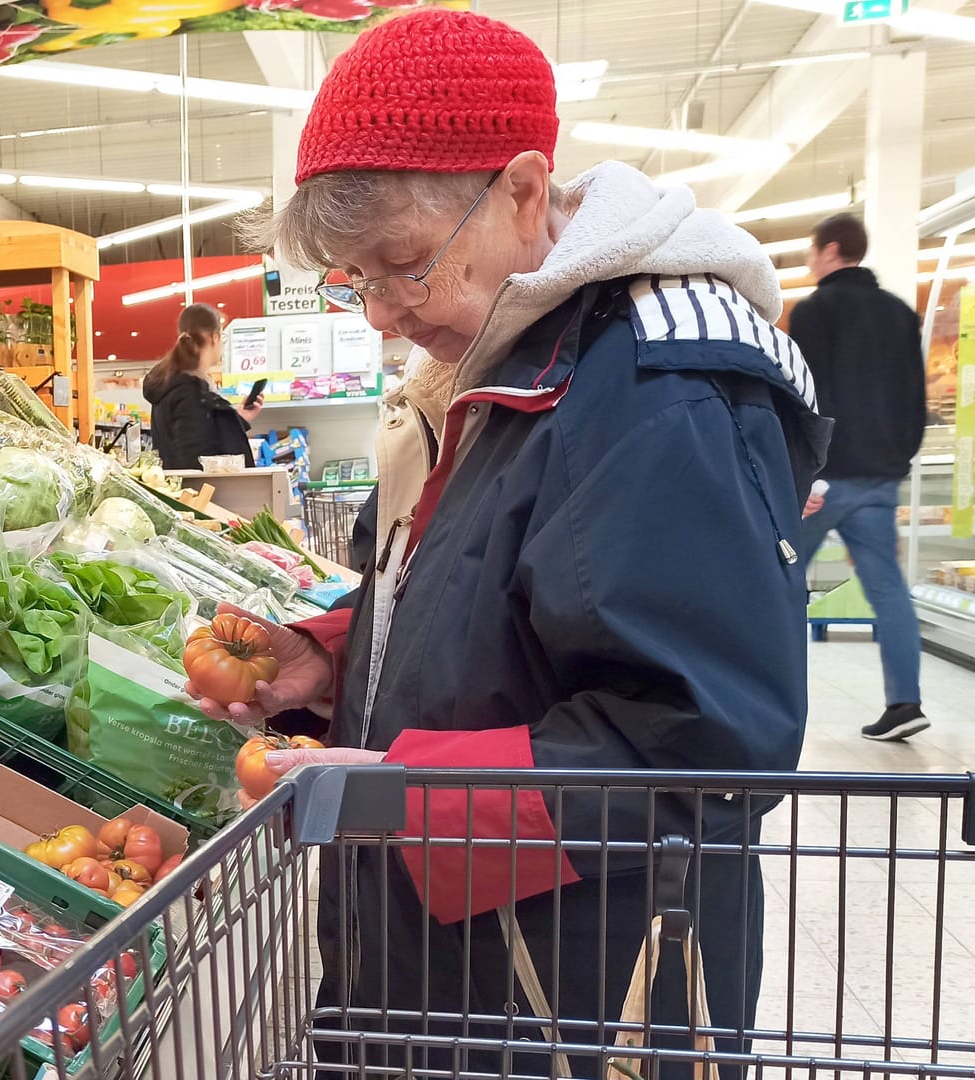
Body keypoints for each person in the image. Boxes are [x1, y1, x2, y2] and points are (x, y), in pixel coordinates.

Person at [195, 8, 828, 1078]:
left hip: (577, 998)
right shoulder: (495, 364)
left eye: (404, 265)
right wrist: (336, 657)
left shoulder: (651, 393)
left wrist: (405, 792)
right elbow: (495, 602)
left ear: (525, 191)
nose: (384, 315)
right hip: (459, 972)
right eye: (356, 283)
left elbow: (702, 737)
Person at [788, 213, 928, 741]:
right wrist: (899, 459)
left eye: (812, 249)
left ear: (829, 251)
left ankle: (771, 699)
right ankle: (905, 702)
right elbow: (914, 397)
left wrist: (805, 469)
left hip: (824, 481)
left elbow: (804, 394)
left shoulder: (814, 311)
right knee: (888, 590)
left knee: (777, 578)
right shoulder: (898, 313)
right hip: (880, 477)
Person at [141, 303, 263, 470]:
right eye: (223, 337)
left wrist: (238, 419)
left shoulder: (170, 386)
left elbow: (199, 438)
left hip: (176, 491)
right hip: (199, 494)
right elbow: (197, 462)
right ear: (214, 337)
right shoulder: (190, 393)